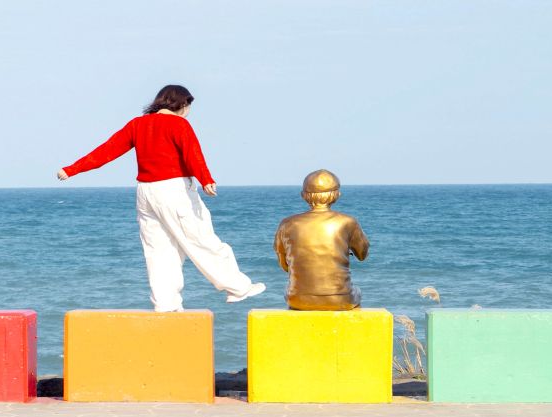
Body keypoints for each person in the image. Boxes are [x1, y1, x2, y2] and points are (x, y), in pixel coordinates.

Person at [57, 84, 265, 312]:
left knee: (158, 250)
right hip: (174, 191)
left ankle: (166, 303)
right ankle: (238, 288)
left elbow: (107, 150)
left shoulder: (137, 124)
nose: (188, 112)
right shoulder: (179, 124)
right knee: (201, 239)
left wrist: (71, 169)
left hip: (145, 193)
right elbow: (193, 154)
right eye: (188, 106)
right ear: (182, 104)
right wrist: (206, 179)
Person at [273, 169, 369, 310]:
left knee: (291, 293)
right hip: (340, 298)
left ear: (303, 195)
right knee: (357, 292)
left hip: (297, 299)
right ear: (337, 194)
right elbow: (362, 255)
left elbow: (284, 265)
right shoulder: (348, 222)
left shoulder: (287, 223)